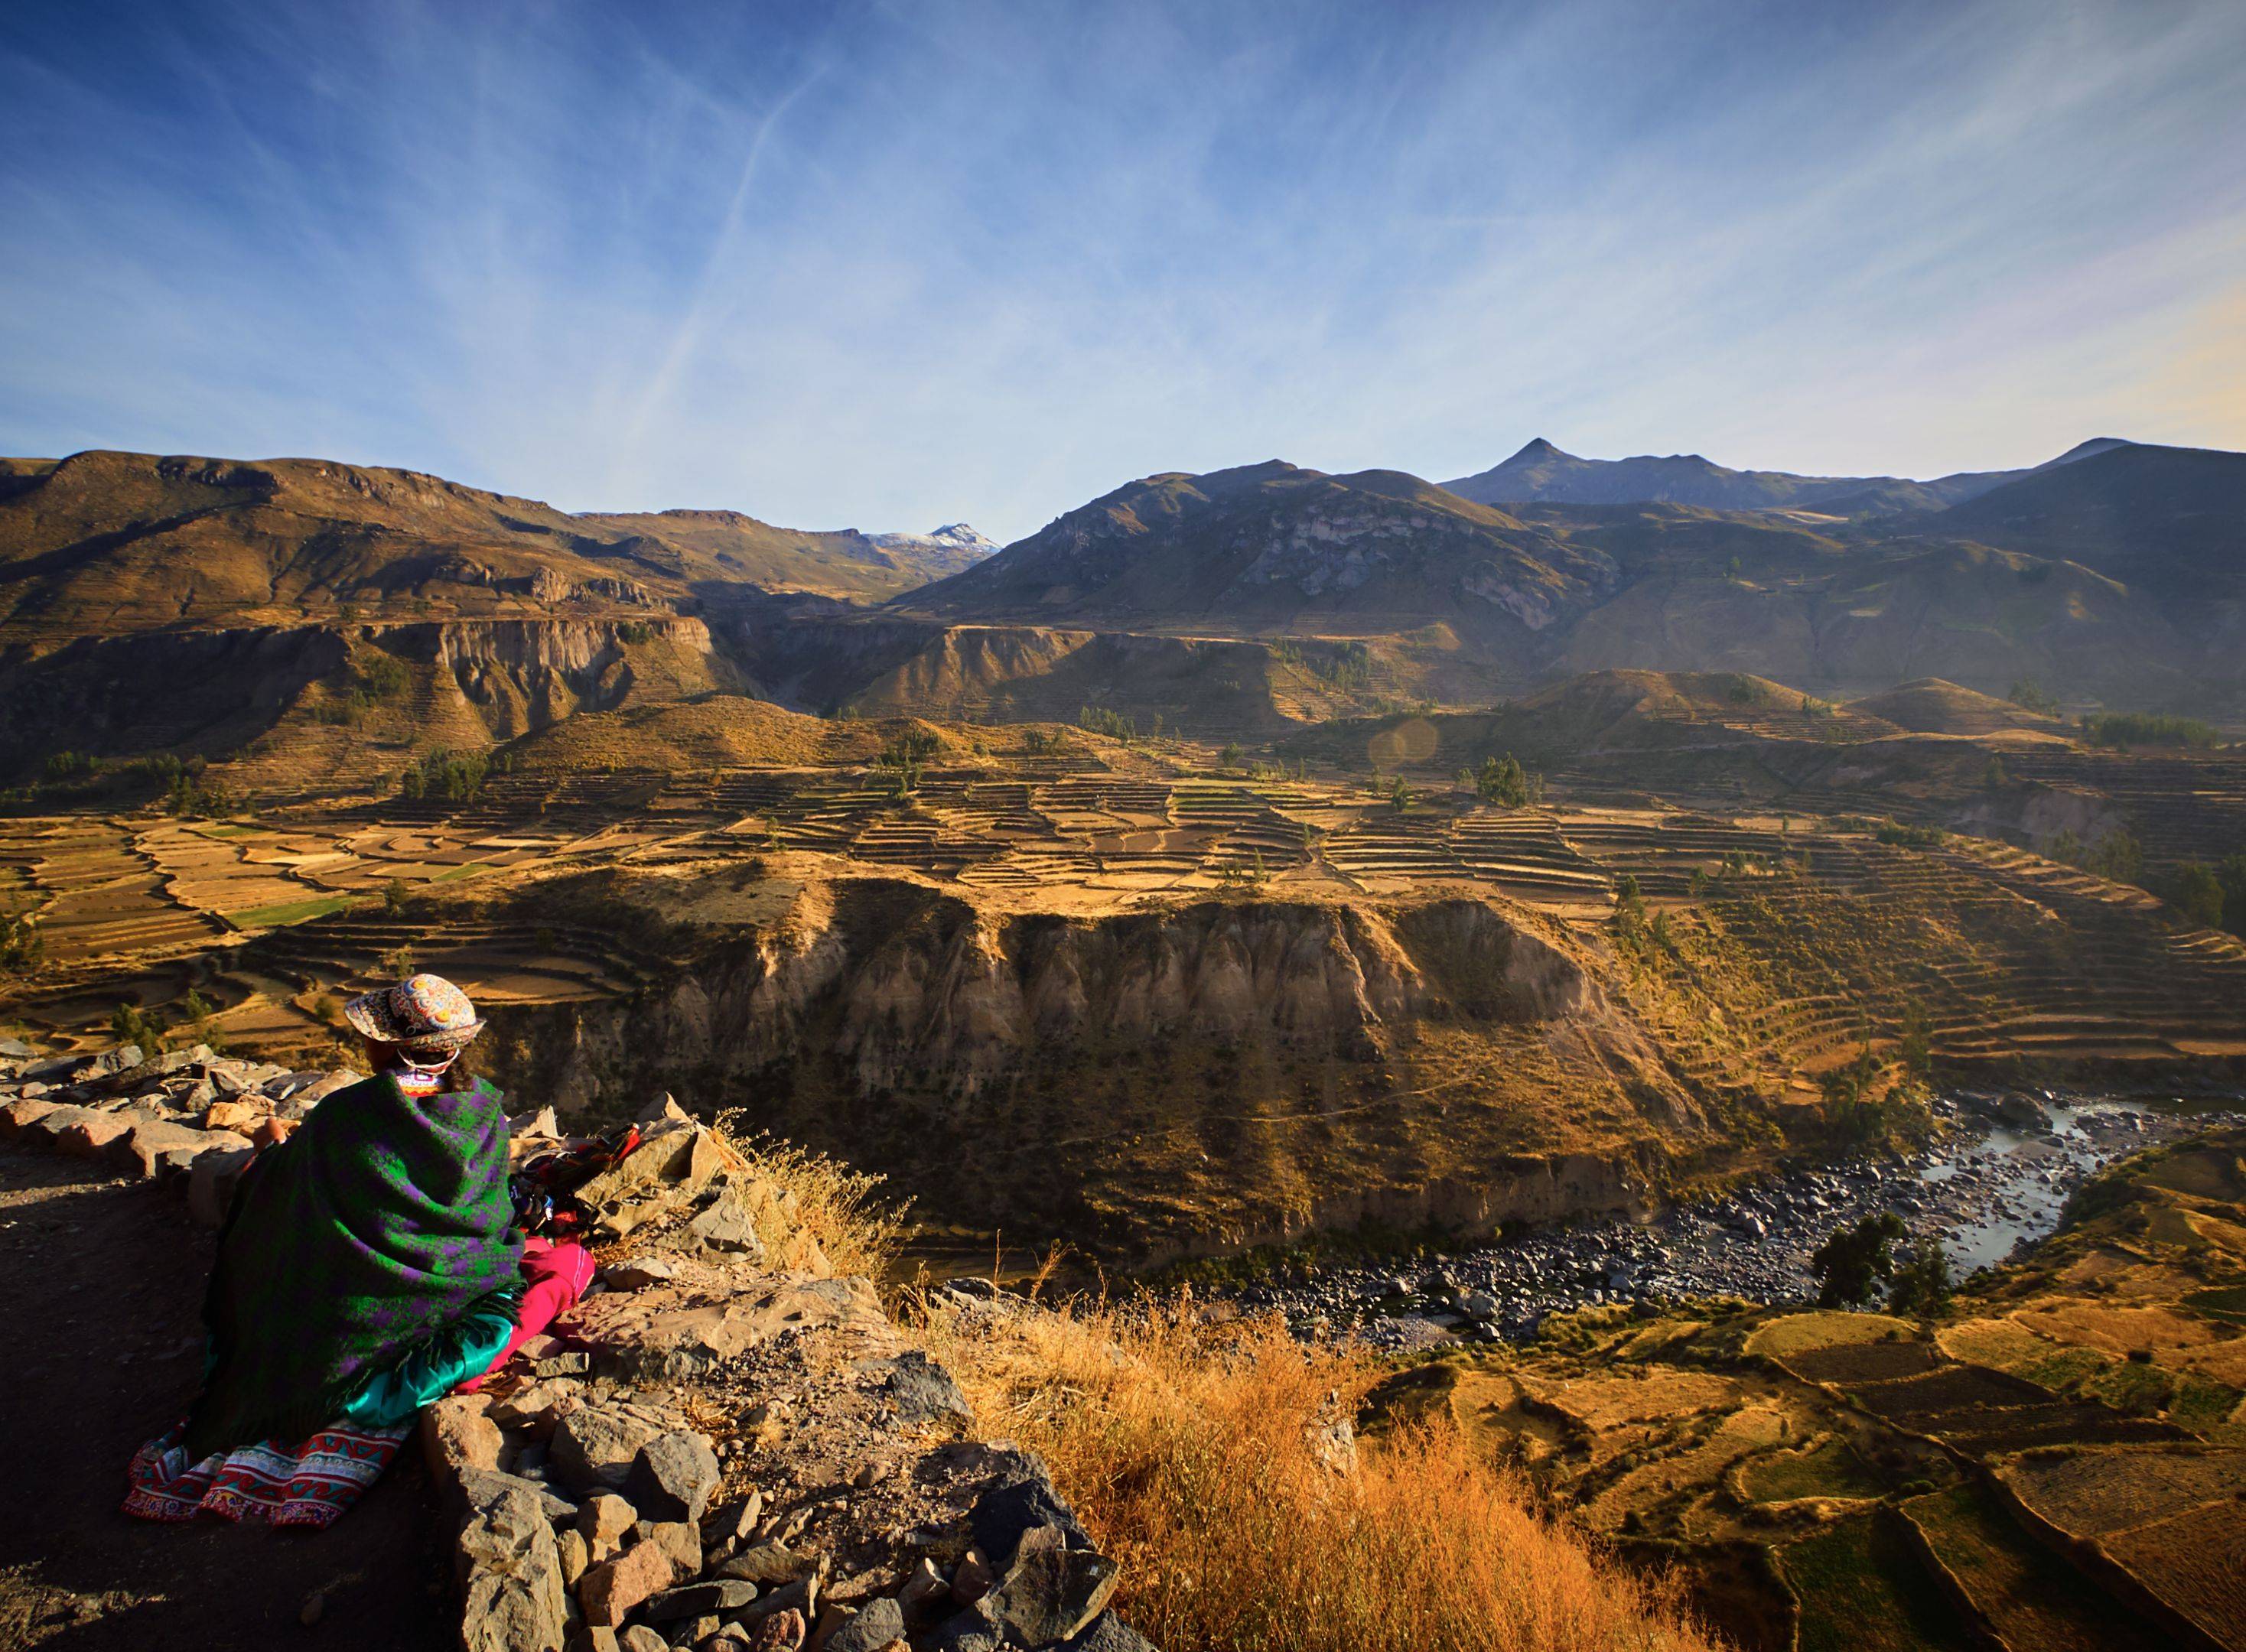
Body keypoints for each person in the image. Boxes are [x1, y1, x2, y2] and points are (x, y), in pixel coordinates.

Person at [124, 973, 592, 1527]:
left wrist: (270, 1151)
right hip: (455, 1277)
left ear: (387, 1044)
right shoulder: (483, 1107)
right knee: (563, 1263)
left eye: (371, 1034)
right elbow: (486, 1212)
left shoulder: (346, 1115)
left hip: (354, 1304)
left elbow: (281, 1194)